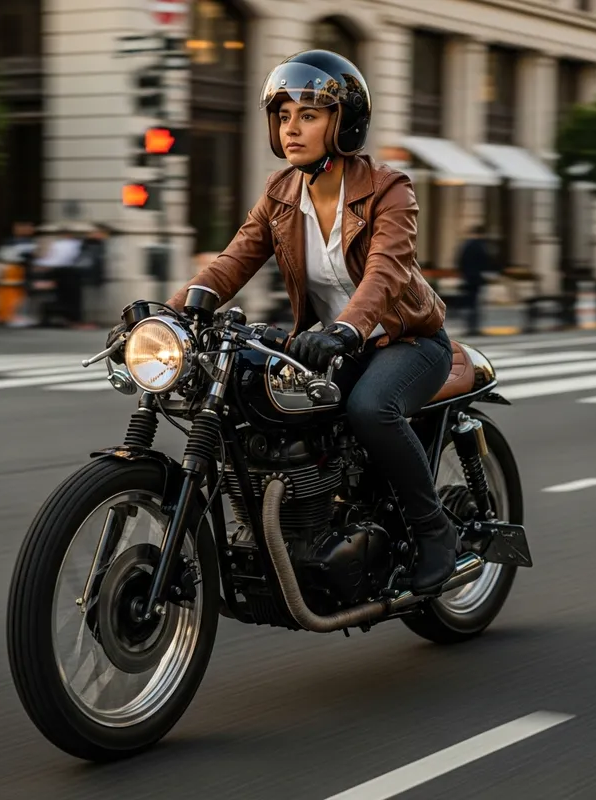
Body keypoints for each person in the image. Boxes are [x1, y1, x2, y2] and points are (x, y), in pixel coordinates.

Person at [109, 50, 458, 594]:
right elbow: (231, 263)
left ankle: (434, 529)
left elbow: (386, 272)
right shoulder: (280, 193)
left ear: (343, 123)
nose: (291, 128)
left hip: (406, 339)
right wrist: (167, 315)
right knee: (263, 406)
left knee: (370, 409)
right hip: (334, 343)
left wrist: (347, 328)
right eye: (284, 116)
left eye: (309, 116)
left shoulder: (389, 188)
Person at [456, 225, 494, 336]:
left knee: (470, 302)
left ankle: (470, 326)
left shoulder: (466, 245)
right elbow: (484, 262)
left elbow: (460, 261)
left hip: (468, 277)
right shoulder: (479, 246)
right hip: (476, 278)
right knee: (474, 303)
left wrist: (463, 274)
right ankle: (473, 327)